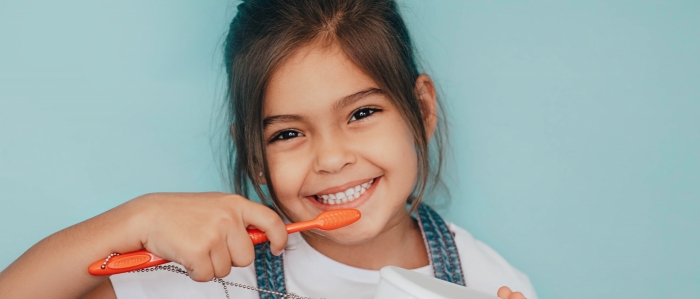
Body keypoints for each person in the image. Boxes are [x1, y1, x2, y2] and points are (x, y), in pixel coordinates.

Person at [0, 1, 537, 298]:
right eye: (287, 134)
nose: (330, 159)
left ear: (420, 109)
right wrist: (140, 217)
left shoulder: (494, 283)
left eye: (361, 114)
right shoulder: (213, 278)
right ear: (254, 153)